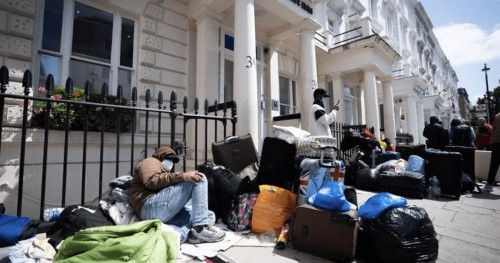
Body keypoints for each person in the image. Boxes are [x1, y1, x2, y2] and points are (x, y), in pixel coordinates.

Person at [129, 146, 225, 244]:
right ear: (161, 156)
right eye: (169, 159)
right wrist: (182, 176)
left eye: (173, 160)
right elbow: (152, 181)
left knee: (209, 215)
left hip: (161, 210)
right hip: (149, 207)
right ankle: (199, 229)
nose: (171, 163)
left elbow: (167, 188)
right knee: (199, 178)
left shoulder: (164, 172)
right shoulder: (150, 161)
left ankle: (183, 235)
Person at [485, 113, 500, 191]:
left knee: (494, 165)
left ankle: (489, 184)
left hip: (497, 143)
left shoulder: (497, 116)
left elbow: (493, 130)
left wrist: (492, 142)